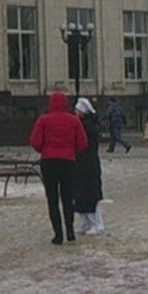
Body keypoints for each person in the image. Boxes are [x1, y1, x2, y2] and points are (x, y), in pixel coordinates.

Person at [30, 92, 88, 245]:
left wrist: (45, 150)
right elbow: (83, 143)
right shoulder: (74, 120)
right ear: (66, 104)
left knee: (53, 199)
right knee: (68, 197)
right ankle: (70, 231)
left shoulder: (43, 120)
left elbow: (35, 141)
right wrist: (71, 151)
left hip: (49, 162)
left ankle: (58, 235)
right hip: (68, 162)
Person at [73, 98, 104, 234]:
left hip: (88, 163)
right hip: (81, 163)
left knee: (90, 194)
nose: (74, 113)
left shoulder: (88, 127)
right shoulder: (84, 125)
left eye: (77, 111)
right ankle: (86, 222)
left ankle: (96, 223)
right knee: (80, 193)